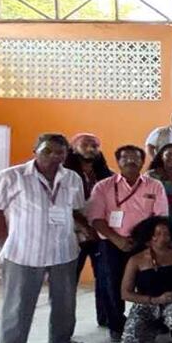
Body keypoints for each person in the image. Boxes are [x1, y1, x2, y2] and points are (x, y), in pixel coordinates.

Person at [0, 134, 90, 343]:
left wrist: (83, 231)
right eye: (47, 151)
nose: (54, 157)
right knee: (18, 305)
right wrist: (4, 241)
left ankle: (61, 341)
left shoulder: (72, 178)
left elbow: (75, 210)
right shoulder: (12, 176)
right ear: (35, 150)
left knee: (65, 302)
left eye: (59, 152)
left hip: (64, 251)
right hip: (24, 251)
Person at [87, 145, 169, 342]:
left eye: (136, 158)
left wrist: (147, 241)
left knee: (149, 283)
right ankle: (116, 325)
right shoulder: (103, 186)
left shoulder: (154, 185)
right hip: (113, 244)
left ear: (143, 162)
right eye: (125, 158)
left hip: (145, 244)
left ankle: (151, 321)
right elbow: (96, 218)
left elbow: (160, 216)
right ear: (118, 161)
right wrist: (117, 239)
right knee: (112, 284)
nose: (131, 161)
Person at [64, 132, 112, 324]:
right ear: (73, 148)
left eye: (95, 145)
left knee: (105, 278)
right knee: (68, 283)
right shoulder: (64, 175)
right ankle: (64, 328)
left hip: (100, 234)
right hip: (72, 235)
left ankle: (107, 318)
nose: (91, 149)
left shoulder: (106, 175)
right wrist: (85, 228)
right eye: (85, 145)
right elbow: (64, 206)